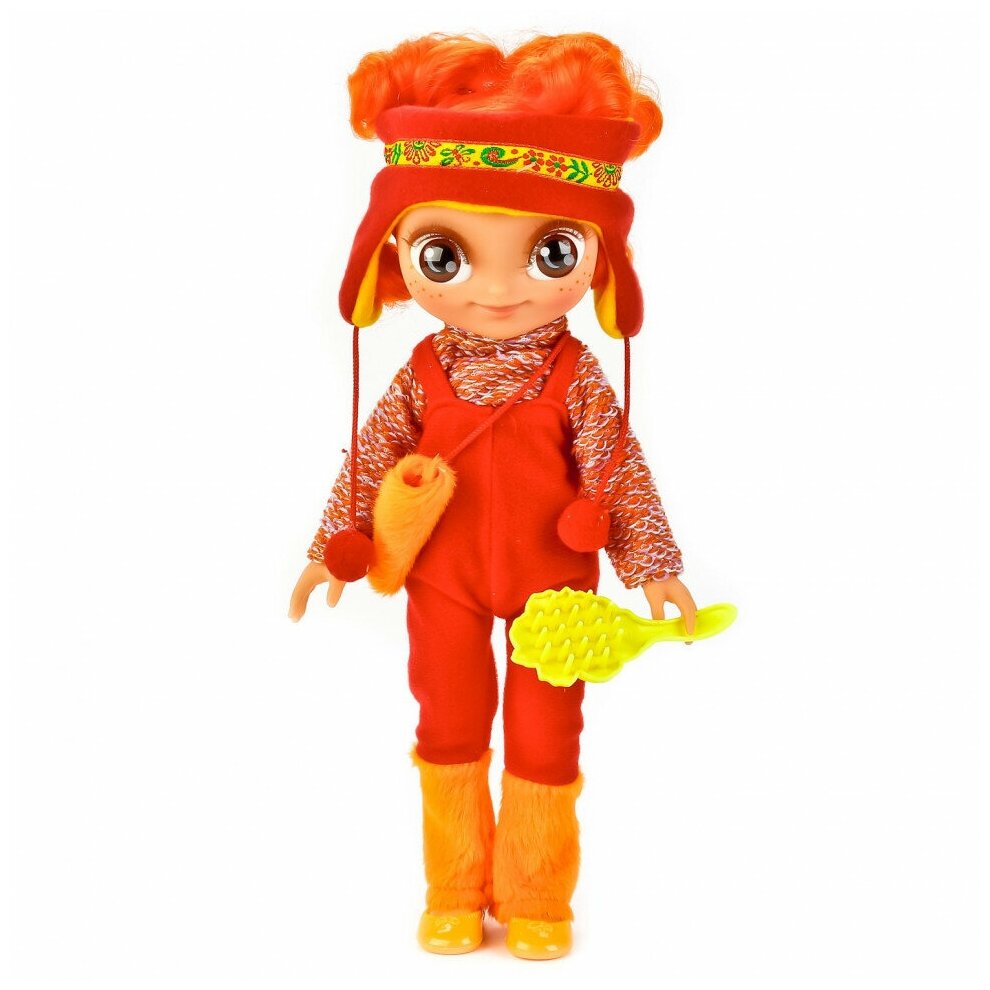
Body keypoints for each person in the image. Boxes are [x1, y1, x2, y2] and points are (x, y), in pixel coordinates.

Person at [288, 31, 698, 959]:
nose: (501, 288)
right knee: (447, 721)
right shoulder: (422, 373)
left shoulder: (576, 377)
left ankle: (537, 893)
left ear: (600, 260)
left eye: (552, 252)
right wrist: (332, 547)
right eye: (447, 256)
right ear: (393, 257)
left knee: (549, 735)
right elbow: (369, 459)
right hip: (444, 579)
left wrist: (653, 565)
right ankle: (454, 886)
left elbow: (617, 467)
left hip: (556, 584)